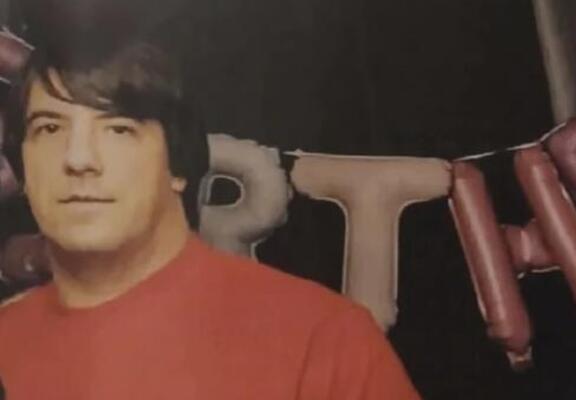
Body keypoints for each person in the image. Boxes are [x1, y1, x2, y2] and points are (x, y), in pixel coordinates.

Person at [0, 36, 421, 399]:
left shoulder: (323, 340)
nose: (78, 159)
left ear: (178, 165)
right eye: (49, 129)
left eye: (119, 129)